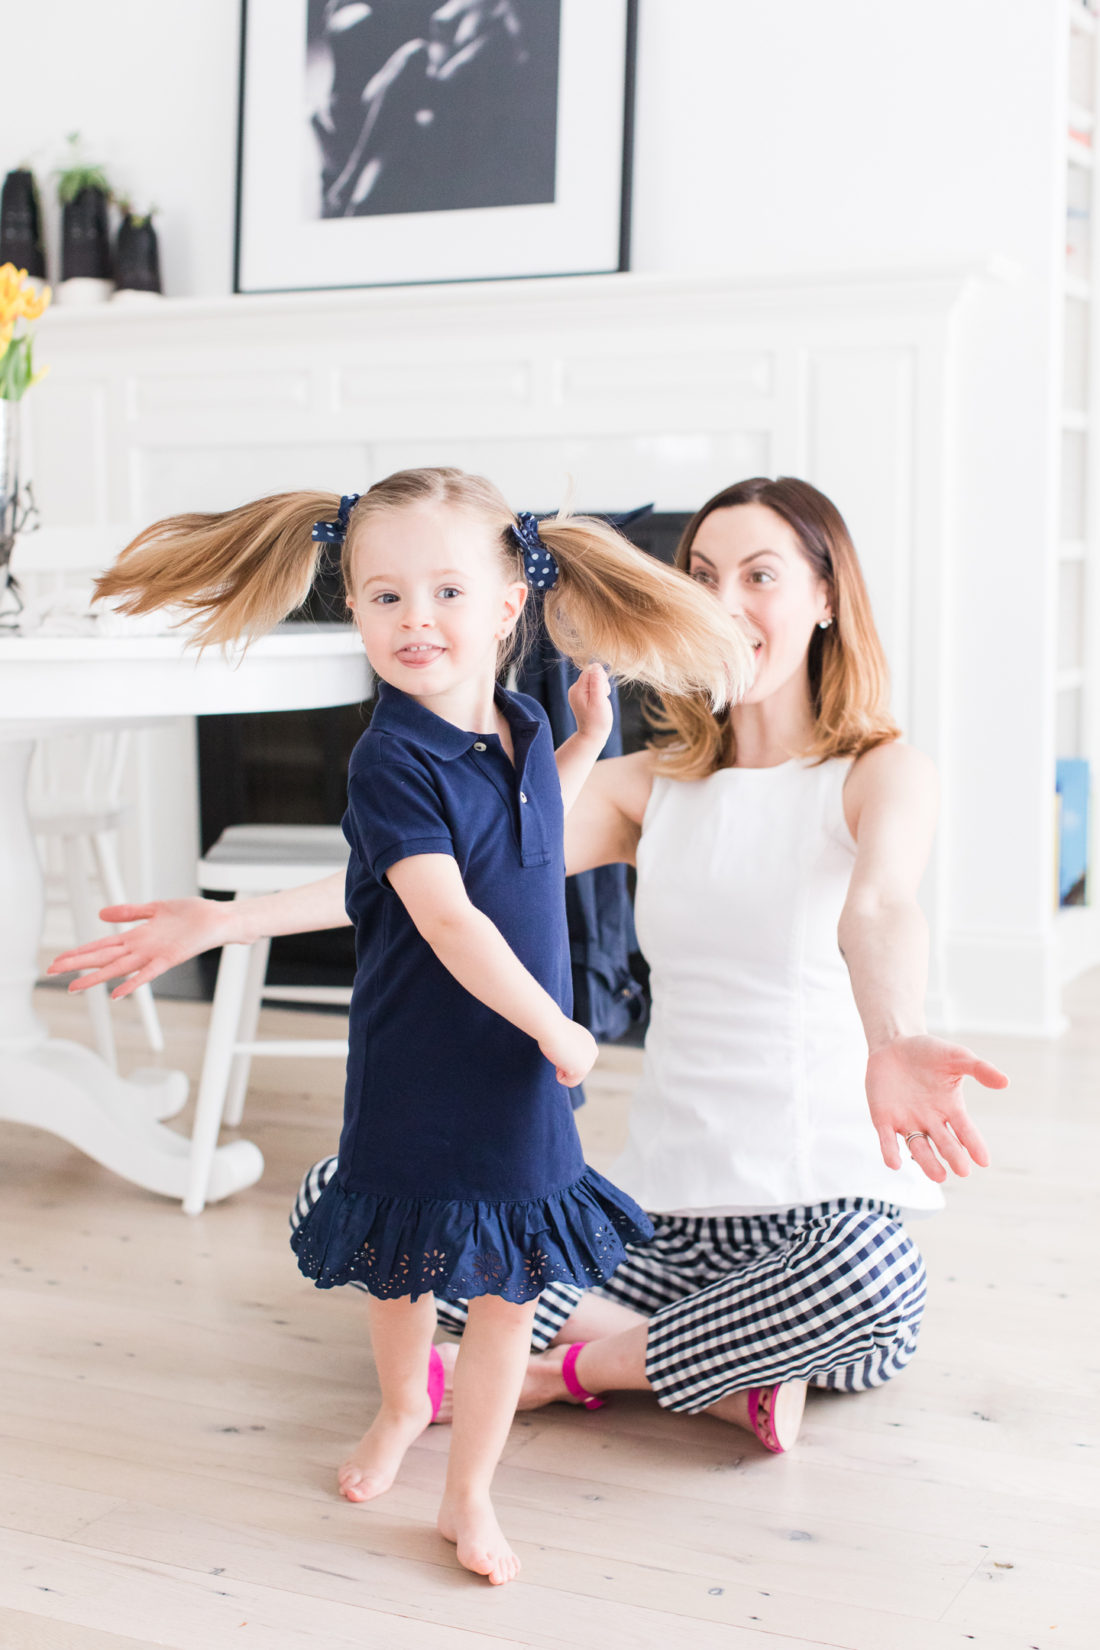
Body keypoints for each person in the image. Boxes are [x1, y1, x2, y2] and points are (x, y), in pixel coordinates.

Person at [53, 476, 1007, 1464]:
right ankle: (719, 1370)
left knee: (872, 1284)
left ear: (823, 597)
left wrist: (891, 1038)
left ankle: (570, 1374)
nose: (724, 603)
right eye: (702, 575)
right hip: (653, 1224)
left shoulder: (878, 773)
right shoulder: (647, 788)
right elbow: (423, 879)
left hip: (817, 1219)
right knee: (359, 1193)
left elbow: (878, 908)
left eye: (759, 575)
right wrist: (225, 921)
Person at [57, 465, 750, 1587]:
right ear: (355, 609)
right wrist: (560, 1029)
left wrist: (575, 748)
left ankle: (468, 1493)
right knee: (404, 1268)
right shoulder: (388, 758)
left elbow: (513, 837)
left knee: (507, 1293)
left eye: (443, 593)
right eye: (383, 597)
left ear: (510, 604)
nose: (413, 620)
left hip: (519, 1073)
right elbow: (444, 915)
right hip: (430, 1061)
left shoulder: (520, 722)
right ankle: (396, 1409)